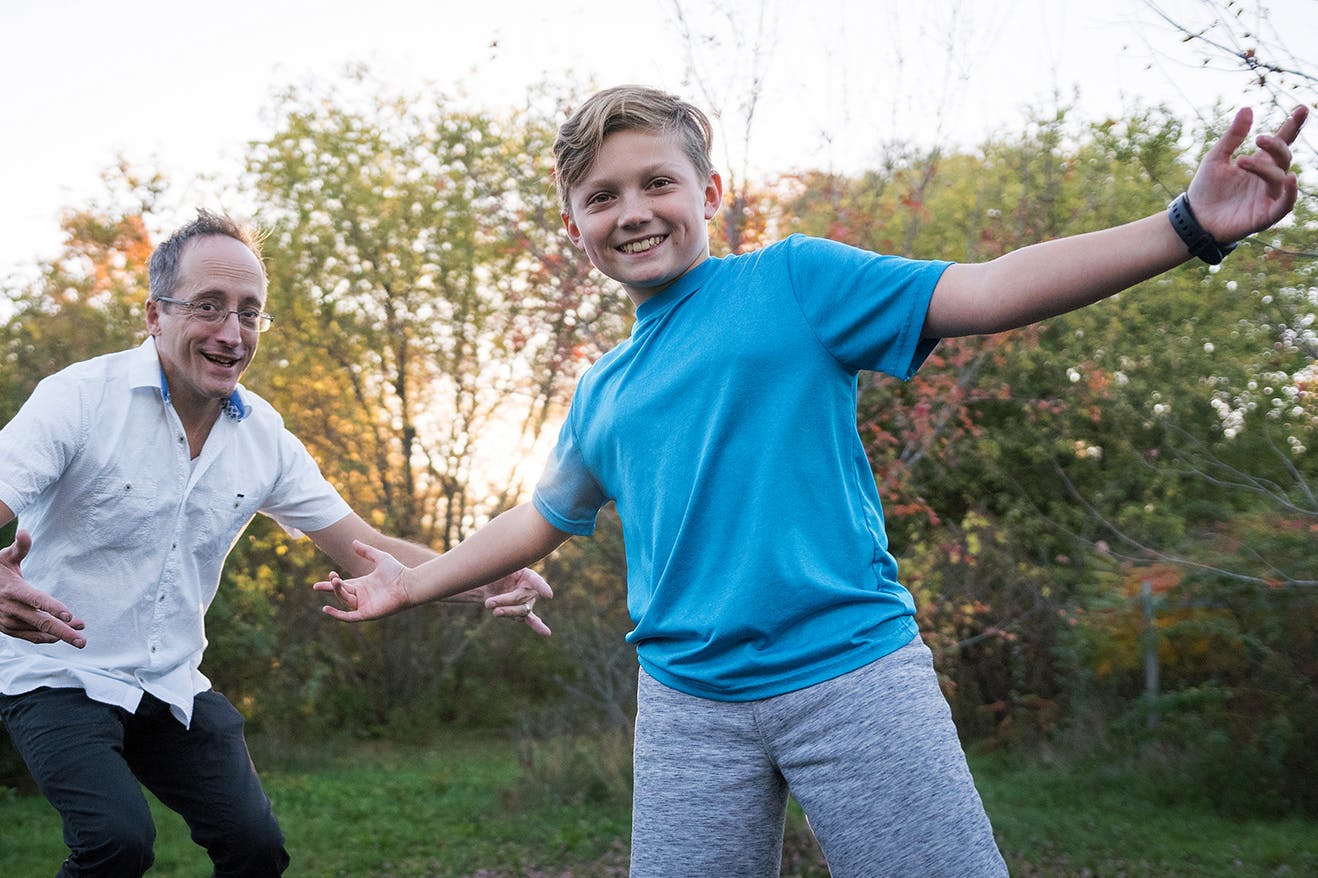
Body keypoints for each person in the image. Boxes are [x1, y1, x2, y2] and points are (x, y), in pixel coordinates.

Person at [316, 86, 1307, 876]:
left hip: (850, 673)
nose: (631, 211)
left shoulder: (791, 281)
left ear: (707, 193)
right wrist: (415, 578)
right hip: (685, 703)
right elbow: (539, 516)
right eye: (600, 196)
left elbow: (988, 288)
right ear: (573, 221)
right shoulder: (601, 391)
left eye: (655, 182)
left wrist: (1186, 225)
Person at [0, 208, 551, 877]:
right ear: (155, 315)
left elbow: (365, 549)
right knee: (117, 840)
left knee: (257, 847)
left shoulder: (263, 436)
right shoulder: (81, 400)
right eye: (209, 307)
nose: (232, 333)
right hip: (57, 674)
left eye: (249, 312)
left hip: (169, 683)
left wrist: (483, 574)